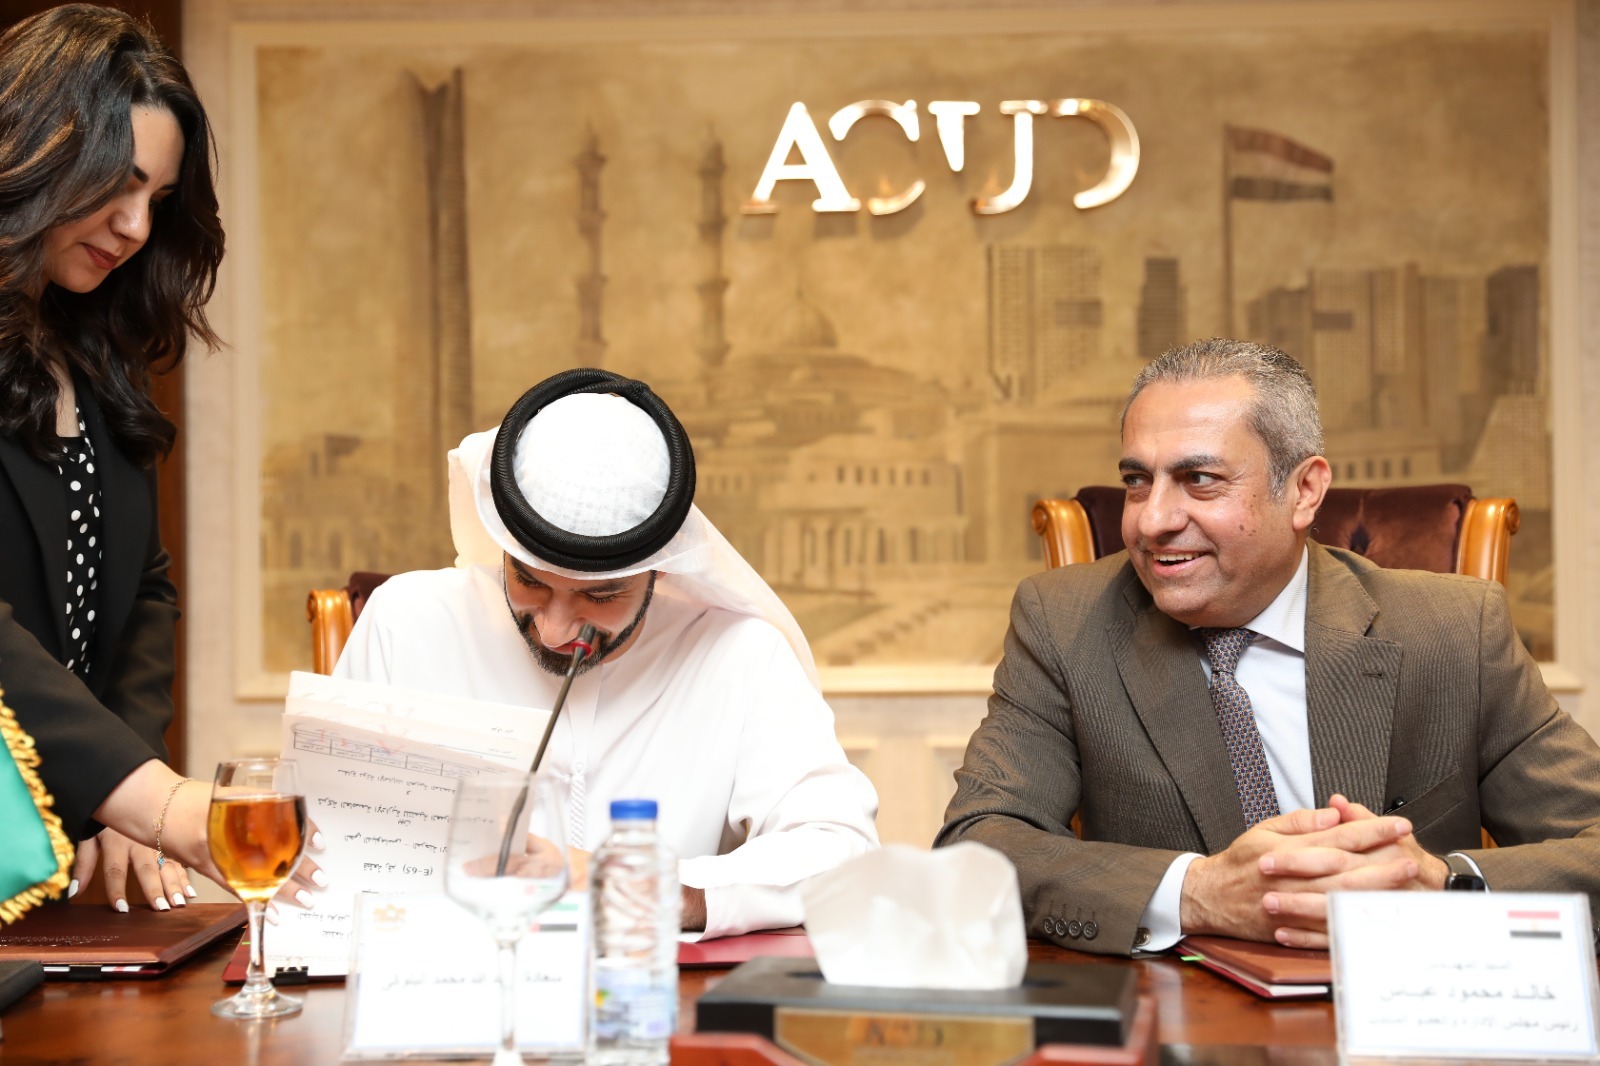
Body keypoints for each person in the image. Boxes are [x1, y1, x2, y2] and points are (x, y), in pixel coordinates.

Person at [937, 338, 1600, 956]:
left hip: (1407, 1005)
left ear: (1304, 491)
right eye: (1138, 480)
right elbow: (979, 844)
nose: (1151, 519)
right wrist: (1196, 893)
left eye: (1200, 479)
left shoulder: (1454, 631)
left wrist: (1444, 887)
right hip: (1181, 1015)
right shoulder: (1063, 622)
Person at [336, 368, 880, 938]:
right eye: (529, 582)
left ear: (660, 570)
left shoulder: (739, 655)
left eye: (599, 596)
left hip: (648, 986)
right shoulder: (408, 623)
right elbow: (331, 835)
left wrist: (642, 889)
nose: (554, 630)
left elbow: (840, 847)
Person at [0, 6, 226, 907]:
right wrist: (152, 797)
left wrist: (123, 797)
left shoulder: (97, 351)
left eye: (158, 201)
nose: (134, 227)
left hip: (55, 873)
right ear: (33, 154)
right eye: (116, 185)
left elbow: (145, 589)